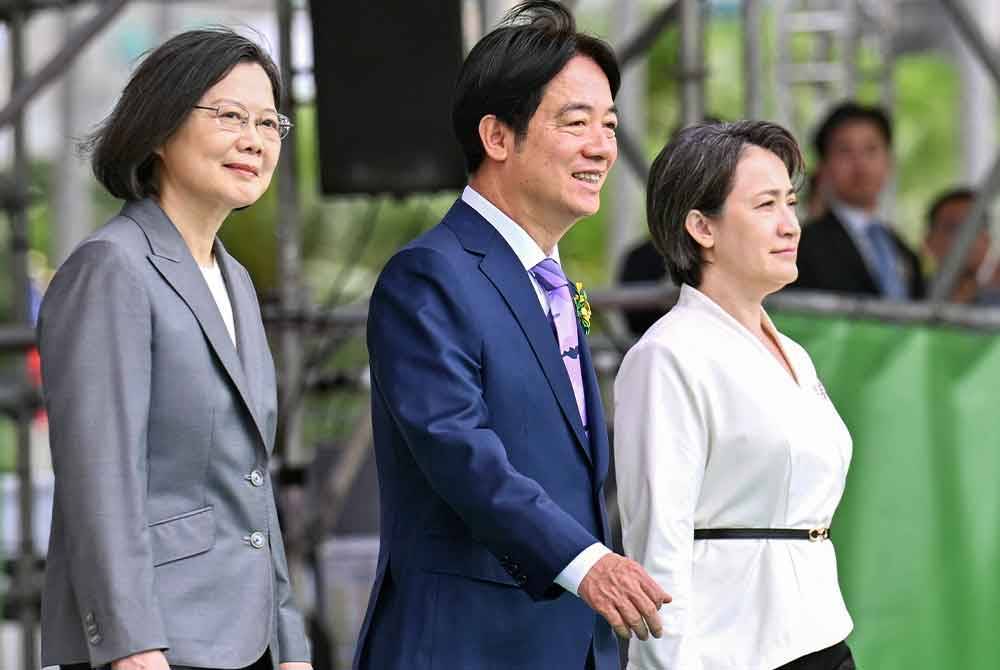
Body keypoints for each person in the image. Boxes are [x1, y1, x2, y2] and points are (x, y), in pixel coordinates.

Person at [354, 2, 670, 669]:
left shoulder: (555, 283)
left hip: (572, 643)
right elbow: (459, 450)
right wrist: (586, 563)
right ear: (497, 137)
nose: (601, 147)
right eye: (576, 122)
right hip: (468, 645)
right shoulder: (428, 275)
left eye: (609, 125)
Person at [38, 29, 311, 670]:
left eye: (269, 123)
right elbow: (100, 478)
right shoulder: (112, 267)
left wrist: (291, 643)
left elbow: (250, 483)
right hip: (155, 642)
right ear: (160, 129)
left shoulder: (234, 279)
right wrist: (131, 644)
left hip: (245, 640)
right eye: (231, 116)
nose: (255, 140)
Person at [615, 121, 855, 669]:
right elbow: (657, 547)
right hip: (731, 649)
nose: (790, 225)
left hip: (821, 635)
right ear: (702, 226)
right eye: (766, 205)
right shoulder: (666, 356)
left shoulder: (794, 354)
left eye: (790, 203)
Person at [791, 101, 924, 299]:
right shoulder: (802, 247)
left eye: (871, 150)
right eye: (845, 151)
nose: (861, 165)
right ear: (823, 166)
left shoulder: (904, 252)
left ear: (889, 162)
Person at [922, 187, 1000, 304]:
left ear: (987, 239)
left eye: (975, 228)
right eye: (952, 228)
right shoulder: (909, 293)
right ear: (929, 241)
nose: (966, 238)